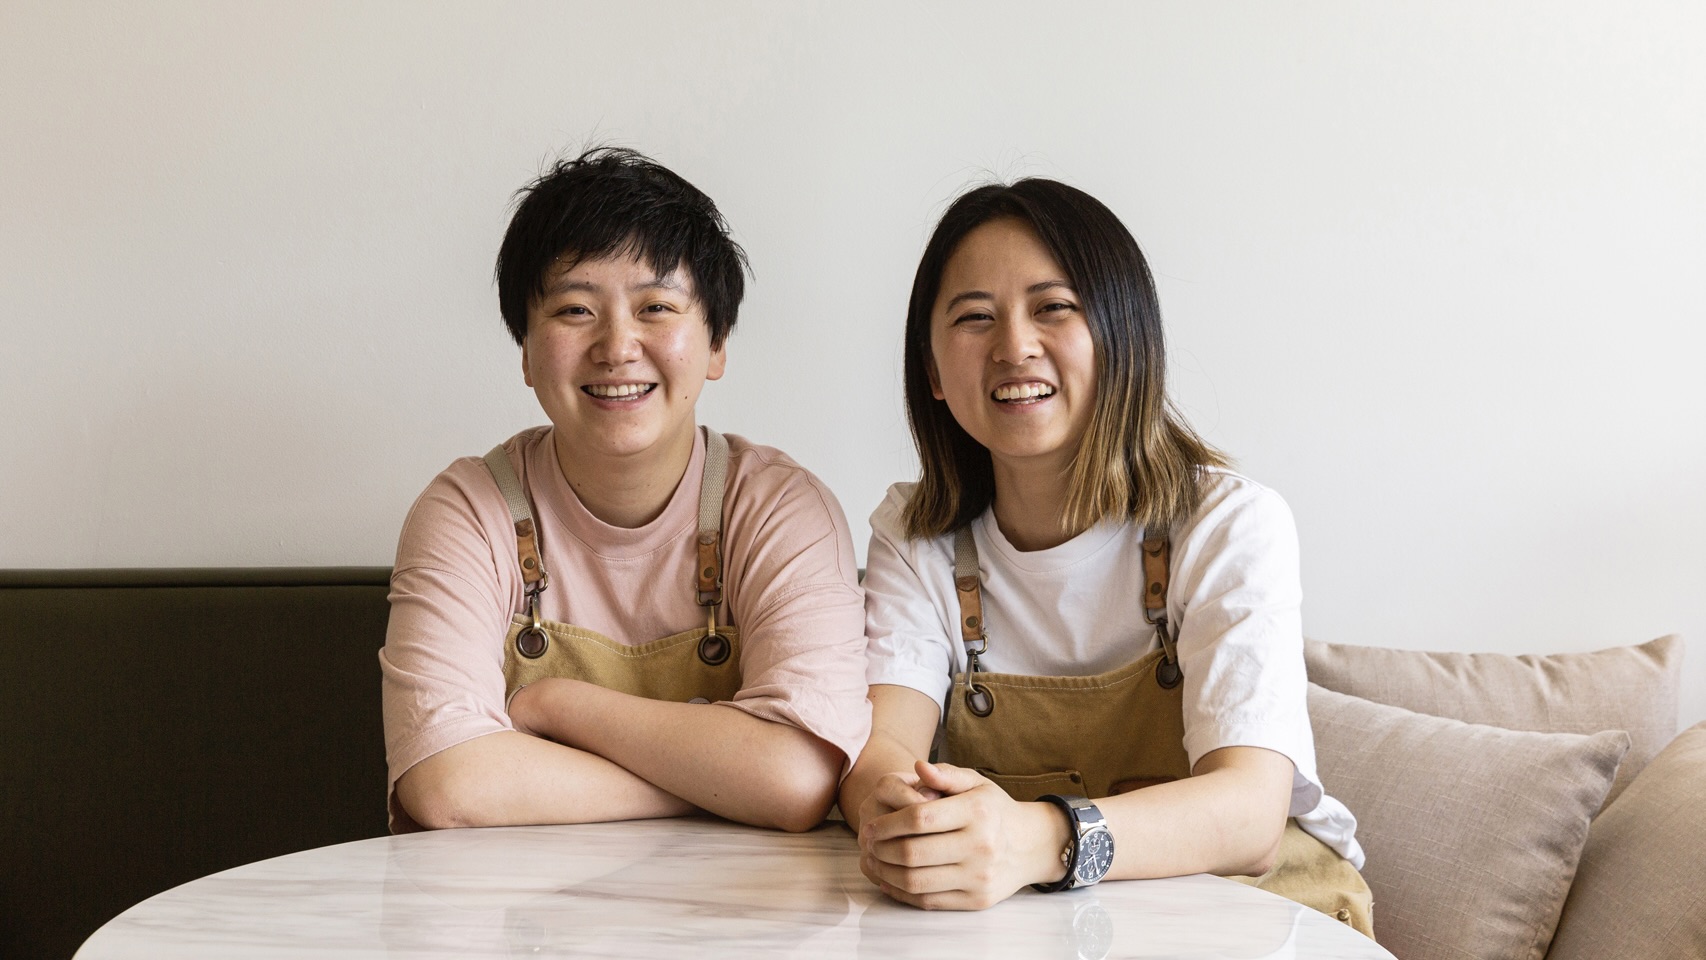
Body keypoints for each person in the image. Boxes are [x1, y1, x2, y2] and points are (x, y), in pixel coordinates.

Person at [839, 178, 1374, 935]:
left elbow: (1249, 813)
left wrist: (1035, 841)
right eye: (974, 317)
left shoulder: (1227, 524)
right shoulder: (915, 534)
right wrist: (898, 815)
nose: (1014, 347)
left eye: (1054, 307)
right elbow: (882, 749)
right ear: (931, 370)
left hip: (1267, 919)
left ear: (1125, 337)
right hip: (1054, 930)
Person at [381, 147, 870, 834]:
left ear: (717, 343)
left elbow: (796, 777)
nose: (616, 347)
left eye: (656, 307)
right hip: (516, 902)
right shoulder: (468, 511)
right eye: (575, 309)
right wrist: (725, 784)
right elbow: (450, 789)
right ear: (526, 351)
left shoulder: (781, 510)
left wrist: (555, 704)